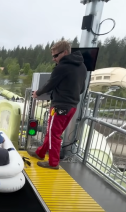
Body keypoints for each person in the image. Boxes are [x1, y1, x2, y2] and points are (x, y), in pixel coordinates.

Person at [29, 40, 87, 169]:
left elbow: (50, 84)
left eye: (56, 56)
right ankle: (40, 153)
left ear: (65, 52)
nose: (53, 59)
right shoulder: (82, 67)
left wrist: (37, 93)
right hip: (72, 107)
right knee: (53, 132)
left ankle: (53, 163)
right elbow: (82, 88)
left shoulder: (62, 67)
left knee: (54, 134)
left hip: (60, 106)